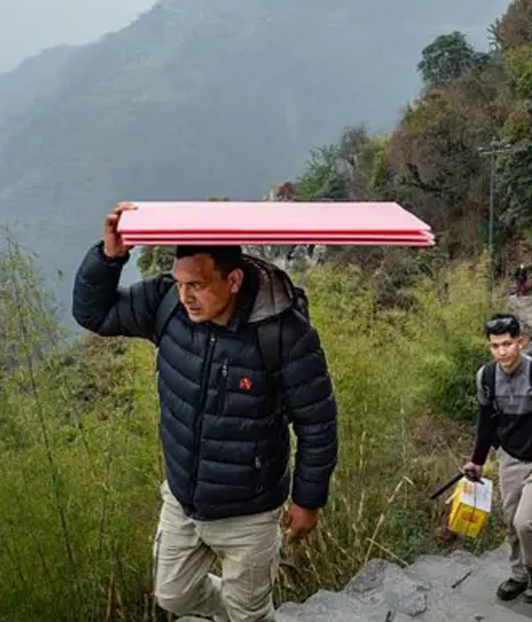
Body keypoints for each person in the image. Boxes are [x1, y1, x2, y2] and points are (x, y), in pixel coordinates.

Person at [72, 202, 339, 622]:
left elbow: (317, 423)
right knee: (172, 595)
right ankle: (236, 611)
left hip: (249, 510)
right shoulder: (167, 304)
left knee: (248, 613)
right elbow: (93, 313)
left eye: (197, 285)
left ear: (233, 279)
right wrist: (110, 257)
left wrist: (308, 501)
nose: (186, 297)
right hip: (182, 497)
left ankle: (246, 613)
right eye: (180, 283)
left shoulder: (283, 334)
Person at [463, 313, 532, 605]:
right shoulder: (486, 377)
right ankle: (519, 575)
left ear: (521, 342)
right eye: (495, 345)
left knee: (527, 522)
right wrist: (477, 460)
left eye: (508, 344)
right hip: (510, 457)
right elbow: (486, 422)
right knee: (511, 522)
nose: (502, 352)